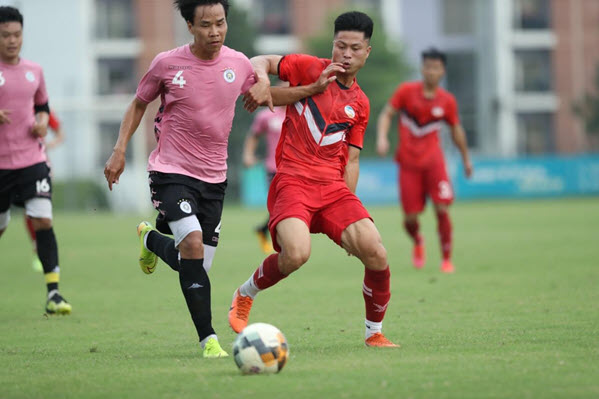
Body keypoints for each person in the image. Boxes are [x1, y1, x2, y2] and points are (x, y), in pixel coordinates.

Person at [103, 0, 319, 358]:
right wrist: (119, 149)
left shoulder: (237, 63)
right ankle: (209, 340)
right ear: (190, 25)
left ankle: (151, 239)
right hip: (171, 171)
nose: (214, 31)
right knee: (191, 244)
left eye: (220, 23)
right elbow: (139, 103)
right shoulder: (166, 64)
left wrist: (311, 91)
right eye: (205, 24)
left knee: (195, 263)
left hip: (214, 179)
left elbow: (269, 95)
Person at [228, 11, 400, 348]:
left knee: (376, 252)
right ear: (333, 46)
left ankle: (373, 333)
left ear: (367, 53)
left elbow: (351, 159)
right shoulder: (309, 67)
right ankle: (245, 293)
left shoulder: (361, 104)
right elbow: (258, 60)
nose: (346, 55)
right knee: (296, 254)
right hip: (292, 180)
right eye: (340, 46)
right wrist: (263, 79)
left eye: (354, 48)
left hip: (333, 189)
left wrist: (348, 213)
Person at [0, 6, 72, 315]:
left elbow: (43, 105)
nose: (12, 41)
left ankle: (54, 293)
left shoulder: (34, 71)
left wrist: (42, 122)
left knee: (43, 220)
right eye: (5, 36)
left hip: (32, 160)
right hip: (1, 165)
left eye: (16, 35)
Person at [376, 47, 473, 273]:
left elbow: (457, 130)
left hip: (434, 163)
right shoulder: (406, 92)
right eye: (428, 67)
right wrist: (382, 137)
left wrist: (466, 159)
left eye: (436, 68)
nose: (431, 72)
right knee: (410, 218)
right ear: (422, 68)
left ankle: (446, 259)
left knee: (442, 208)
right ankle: (418, 240)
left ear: (443, 71)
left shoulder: (447, 101)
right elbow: (387, 113)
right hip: (408, 164)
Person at [242, 98, 285, 254]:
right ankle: (281, 241)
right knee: (281, 204)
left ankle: (264, 230)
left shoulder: (301, 114)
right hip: (274, 167)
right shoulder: (267, 115)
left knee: (285, 206)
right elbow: (254, 135)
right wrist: (248, 155)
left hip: (296, 168)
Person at [25, 110, 65, 272]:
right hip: (12, 166)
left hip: (39, 166)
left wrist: (51, 144)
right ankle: (37, 247)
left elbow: (60, 133)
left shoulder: (42, 110)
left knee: (39, 211)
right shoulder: (11, 106)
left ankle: (39, 251)